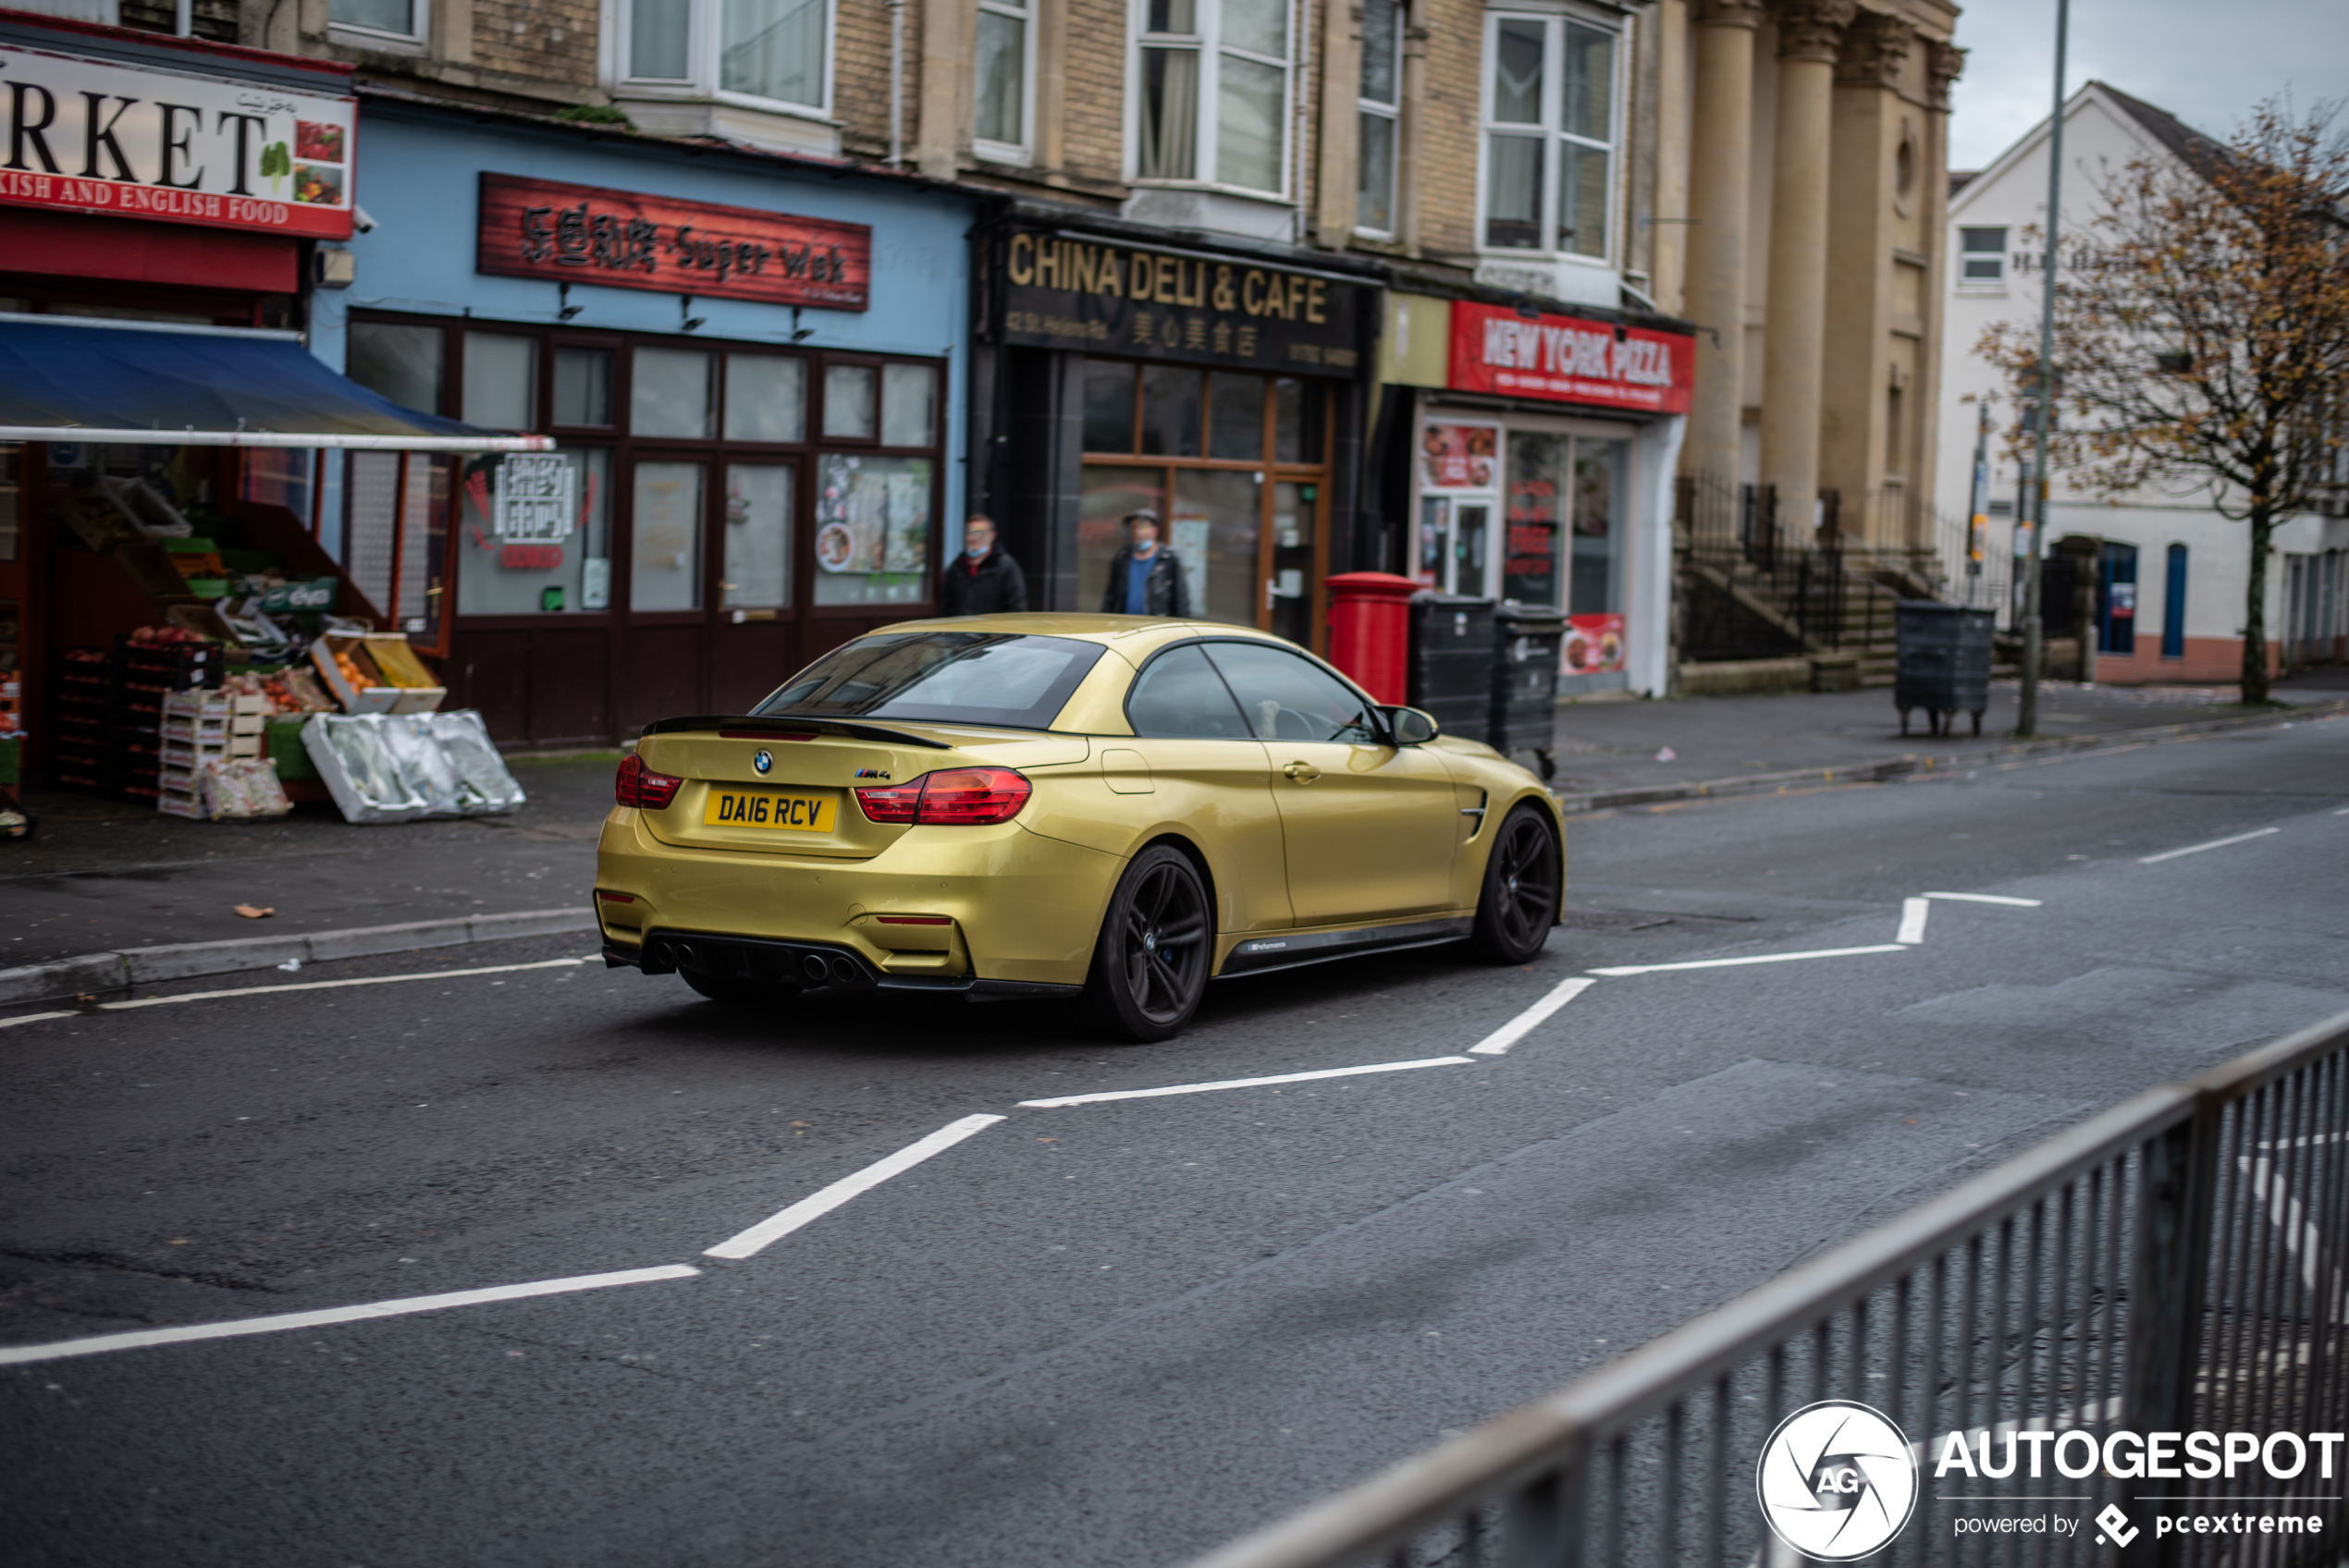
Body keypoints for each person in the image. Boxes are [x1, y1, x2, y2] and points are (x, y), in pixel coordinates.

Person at [1100, 509, 1190, 618]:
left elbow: (1181, 600)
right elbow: (1111, 598)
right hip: (1124, 626)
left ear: (1154, 531)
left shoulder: (1168, 559)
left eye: (1142, 527)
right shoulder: (1122, 558)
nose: (1137, 532)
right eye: (1133, 527)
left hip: (1156, 627)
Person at [938, 514, 1028, 616]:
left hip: (992, 630)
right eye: (970, 533)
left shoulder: (1005, 566)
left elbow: (1016, 607)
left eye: (980, 533)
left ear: (992, 536)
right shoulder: (957, 566)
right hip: (961, 630)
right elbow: (946, 607)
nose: (974, 538)